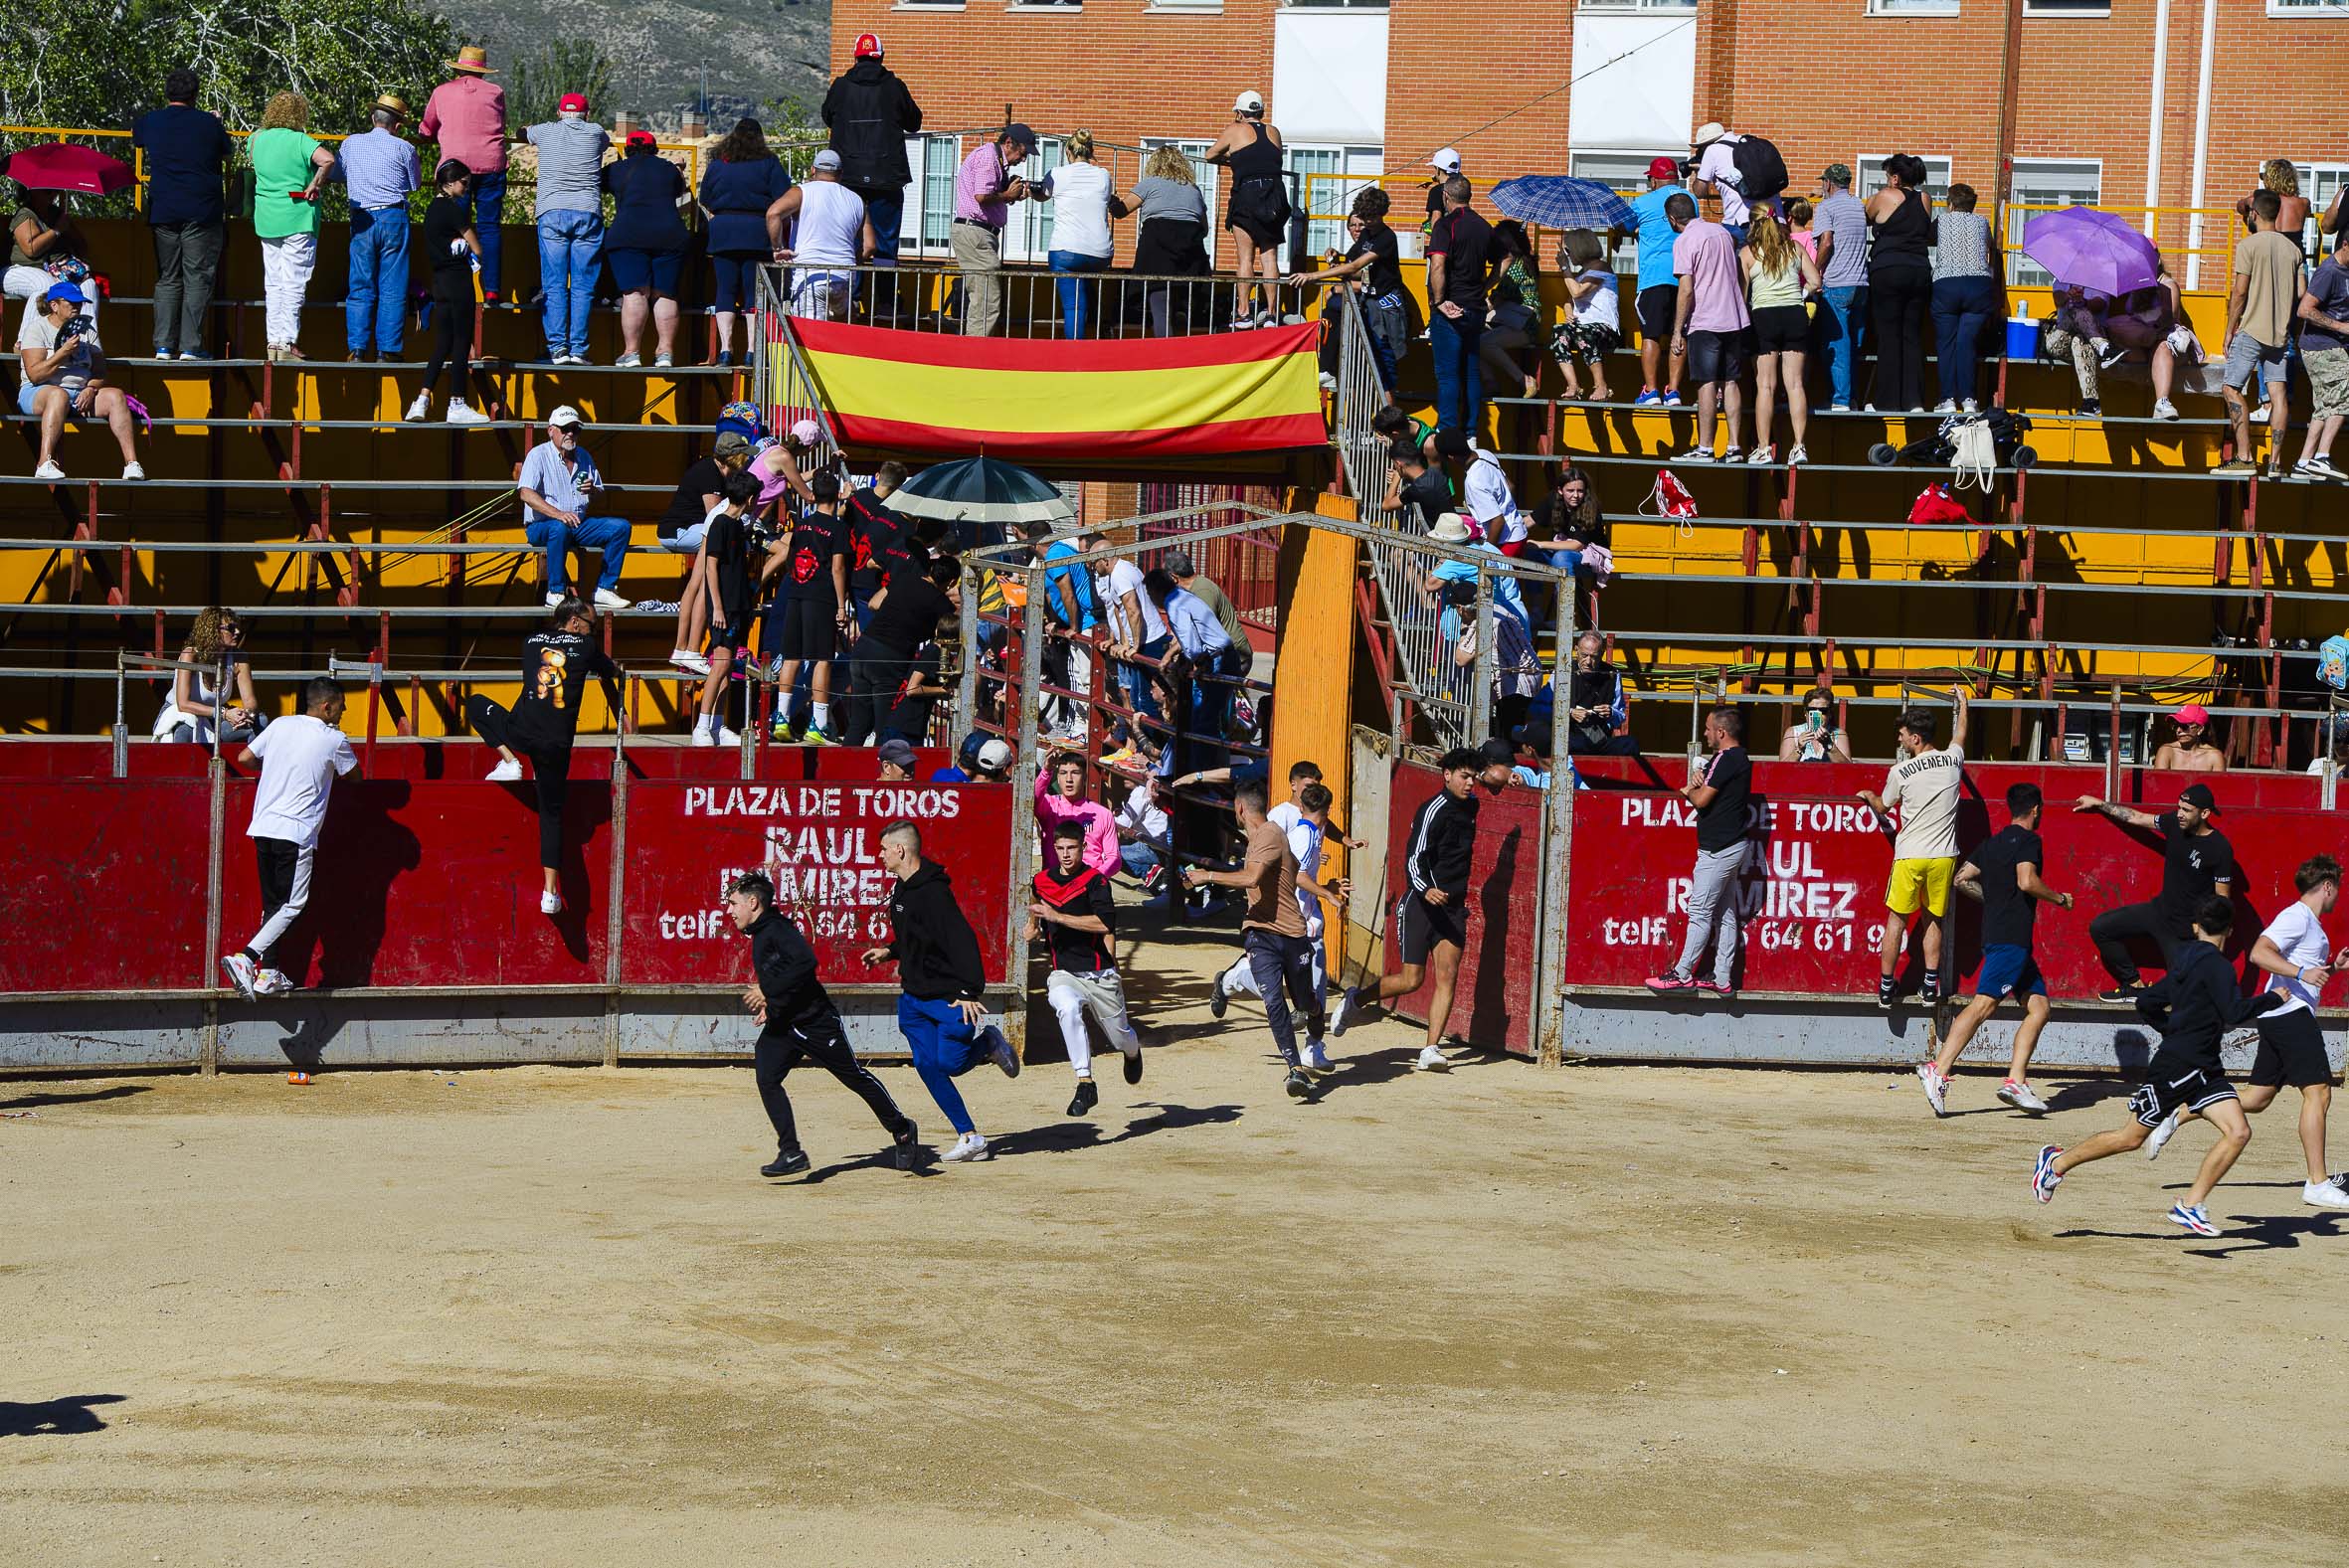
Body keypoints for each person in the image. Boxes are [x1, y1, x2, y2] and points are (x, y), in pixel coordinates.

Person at [2029, 897, 2280, 1239]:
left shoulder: (2184, 960)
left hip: (2203, 1068)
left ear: (2195, 927)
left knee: (2238, 1132)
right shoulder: (2219, 967)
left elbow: (2147, 1001)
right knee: (2130, 1138)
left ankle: (2191, 1205)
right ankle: (2055, 1164)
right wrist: (2273, 998)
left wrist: (2169, 1029)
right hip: (2176, 1068)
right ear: (2231, 931)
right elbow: (2234, 1013)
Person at [2146, 855, 2349, 1211]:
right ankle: (2317, 1183)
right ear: (2328, 886)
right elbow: (2259, 953)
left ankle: (2177, 1114)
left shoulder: (2308, 923)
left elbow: (2297, 971)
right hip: (2290, 1016)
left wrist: (2332, 967)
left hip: (2281, 1016)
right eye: (2337, 890)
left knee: (2257, 1098)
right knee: (2318, 1093)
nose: (2338, 897)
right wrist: (2302, 973)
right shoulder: (2296, 916)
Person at [726, 870, 922, 1179]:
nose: (730, 910)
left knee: (854, 1077)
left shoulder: (777, 928)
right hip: (784, 1024)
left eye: (733, 903)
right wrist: (772, 1004)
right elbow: (783, 972)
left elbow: (805, 963)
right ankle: (791, 1152)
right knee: (767, 1078)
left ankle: (902, 1129)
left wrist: (767, 991)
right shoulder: (762, 932)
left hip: (816, 1023)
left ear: (753, 902)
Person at [1915, 784, 2075, 1118]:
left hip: (2006, 938)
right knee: (1984, 1004)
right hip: (2011, 938)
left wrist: (1994, 899)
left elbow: (1962, 879)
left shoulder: (1993, 844)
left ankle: (2016, 1081)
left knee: (2040, 1007)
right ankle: (1938, 1068)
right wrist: (2059, 898)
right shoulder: (2030, 841)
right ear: (2036, 809)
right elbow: (2027, 881)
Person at [862, 821, 1015, 1164]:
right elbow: (916, 936)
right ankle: (970, 1137)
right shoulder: (902, 889)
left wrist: (968, 991)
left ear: (900, 850)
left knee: (951, 1063)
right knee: (927, 1066)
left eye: (884, 848)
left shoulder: (934, 893)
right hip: (913, 999)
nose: (880, 854)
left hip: (948, 998)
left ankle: (988, 1043)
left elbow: (962, 941)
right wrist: (890, 950)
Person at [1330, 747, 1483, 1073]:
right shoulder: (1433, 809)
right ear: (1447, 775)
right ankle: (1357, 999)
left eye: (1473, 777)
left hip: (1453, 907)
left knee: (1448, 976)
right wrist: (1426, 888)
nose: (1470, 783)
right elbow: (1413, 857)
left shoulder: (1473, 806)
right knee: (1411, 979)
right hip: (1420, 904)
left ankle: (1430, 1048)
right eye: (1464, 776)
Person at [467, 598, 619, 915]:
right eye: (590, 627)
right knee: (551, 815)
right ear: (575, 623)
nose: (591, 634)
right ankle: (550, 892)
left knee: (477, 704)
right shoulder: (586, 647)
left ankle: (510, 760)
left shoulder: (530, 640)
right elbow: (611, 671)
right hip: (556, 743)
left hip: (520, 731)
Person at [1182, 777, 1322, 1100]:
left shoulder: (1270, 835)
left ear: (1239, 807)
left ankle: (1314, 1012)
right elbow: (1289, 868)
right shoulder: (1263, 838)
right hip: (1260, 933)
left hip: (1292, 935)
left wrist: (1207, 876)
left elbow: (1253, 877)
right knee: (1274, 1000)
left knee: (1303, 1003)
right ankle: (1295, 1069)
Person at [219, 677, 355, 1002]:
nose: (344, 710)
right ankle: (247, 959)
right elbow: (354, 776)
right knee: (293, 903)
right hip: (295, 832)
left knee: (274, 904)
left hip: (263, 825)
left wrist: (281, 765)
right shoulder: (334, 739)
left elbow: (245, 759)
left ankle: (269, 972)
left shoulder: (280, 725)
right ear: (327, 706)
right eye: (341, 705)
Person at [1210, 776, 1345, 1074]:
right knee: (1277, 997)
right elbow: (1287, 876)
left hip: (1300, 924)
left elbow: (1292, 870)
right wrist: (1325, 892)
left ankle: (1311, 1048)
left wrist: (1326, 888)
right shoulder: (1293, 831)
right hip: (1284, 924)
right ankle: (1304, 1057)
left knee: (1309, 997)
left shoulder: (1299, 832)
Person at [1857, 692, 1970, 1005]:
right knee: (1933, 919)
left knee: (1896, 921)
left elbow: (1883, 806)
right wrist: (1964, 703)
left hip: (1910, 855)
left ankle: (1885, 988)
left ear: (1916, 738)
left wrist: (1868, 796)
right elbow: (1960, 732)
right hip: (1943, 856)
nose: (1900, 738)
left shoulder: (1900, 771)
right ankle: (1930, 987)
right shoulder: (1953, 760)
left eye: (1903, 735)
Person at [2073, 782, 2234, 1002]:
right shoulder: (2174, 823)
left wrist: (2211, 938)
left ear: (2205, 813)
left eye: (2186, 810)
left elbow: (2222, 900)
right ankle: (2133, 985)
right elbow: (2137, 818)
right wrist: (2099, 804)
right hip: (2158, 911)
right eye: (2179, 807)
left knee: (2185, 993)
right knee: (2100, 927)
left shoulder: (2219, 848)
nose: (2180, 814)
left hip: (2185, 928)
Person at [1030, 820, 1146, 1118]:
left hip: (1099, 974)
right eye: (1060, 848)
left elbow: (1104, 924)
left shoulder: (1097, 882)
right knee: (1066, 1007)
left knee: (1120, 1037)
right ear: (1054, 848)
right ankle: (1085, 1082)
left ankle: (1132, 1053)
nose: (1066, 854)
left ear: (1083, 847)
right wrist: (1032, 926)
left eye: (1071, 848)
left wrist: (1058, 916)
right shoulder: (1041, 880)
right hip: (1064, 972)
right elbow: (1034, 899)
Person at [1644, 707, 1752, 999]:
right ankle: (1722, 978)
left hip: (1718, 848)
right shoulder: (1741, 759)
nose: (1705, 734)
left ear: (1721, 732)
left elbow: (1703, 799)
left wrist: (1688, 789)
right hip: (1733, 845)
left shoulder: (1726, 759)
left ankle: (1682, 974)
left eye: (1707, 729)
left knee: (1700, 912)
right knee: (1726, 913)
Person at [132, 68, 232, 360]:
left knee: (167, 277)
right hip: (202, 210)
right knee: (197, 277)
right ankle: (190, 346)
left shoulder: (151, 121)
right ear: (195, 94)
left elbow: (137, 138)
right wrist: (217, 124)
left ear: (168, 93)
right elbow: (227, 155)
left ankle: (163, 345)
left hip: (163, 209)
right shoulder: (208, 124)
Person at [2219, 190, 2306, 478]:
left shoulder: (2248, 246)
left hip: (2252, 331)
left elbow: (2240, 292)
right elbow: (2302, 294)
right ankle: (2275, 463)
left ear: (2254, 214)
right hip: (2281, 336)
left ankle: (2244, 456)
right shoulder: (2294, 251)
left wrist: (2230, 330)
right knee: (2278, 395)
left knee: (2231, 388)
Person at [18, 282, 142, 482]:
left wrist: (91, 388)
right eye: (71, 302)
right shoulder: (37, 329)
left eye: (80, 303)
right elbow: (35, 375)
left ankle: (132, 464)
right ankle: (44, 462)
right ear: (54, 305)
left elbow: (100, 370)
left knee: (116, 396)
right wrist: (63, 353)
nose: (77, 307)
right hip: (38, 392)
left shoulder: (87, 330)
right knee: (58, 395)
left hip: (79, 393)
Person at [763, 469, 853, 742]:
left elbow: (791, 561)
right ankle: (819, 723)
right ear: (837, 496)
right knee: (822, 660)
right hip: (821, 598)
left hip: (796, 595)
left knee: (792, 657)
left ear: (813, 496)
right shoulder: (839, 529)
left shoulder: (801, 525)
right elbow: (838, 568)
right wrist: (840, 606)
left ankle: (781, 718)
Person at [822, 33, 923, 274]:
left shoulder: (840, 87)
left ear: (855, 57)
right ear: (881, 57)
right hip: (887, 177)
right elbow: (914, 123)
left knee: (851, 238)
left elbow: (827, 117)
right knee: (886, 242)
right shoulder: (895, 87)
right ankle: (886, 300)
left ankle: (851, 297)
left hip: (848, 177)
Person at [1290, 189, 1406, 397]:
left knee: (1384, 371)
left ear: (1382, 213)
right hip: (1368, 303)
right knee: (1334, 308)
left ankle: (1391, 423)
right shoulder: (1368, 234)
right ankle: (1328, 369)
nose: (1366, 223)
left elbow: (1356, 268)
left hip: (1384, 307)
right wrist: (1337, 254)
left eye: (1370, 218)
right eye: (1363, 218)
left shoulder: (1386, 237)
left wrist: (1313, 276)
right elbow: (1351, 261)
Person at [2044, 256, 2189, 421]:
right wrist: (2070, 296)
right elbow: (2057, 299)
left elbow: (2101, 303)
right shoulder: (2064, 271)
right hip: (2061, 337)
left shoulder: (2102, 275)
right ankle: (2104, 348)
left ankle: (2090, 402)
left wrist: (2083, 300)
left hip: (2087, 339)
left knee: (2080, 340)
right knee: (2077, 311)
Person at [655, 432, 754, 672]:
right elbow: (716, 518)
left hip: (695, 527)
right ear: (729, 458)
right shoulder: (709, 473)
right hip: (679, 531)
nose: (746, 461)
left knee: (696, 583)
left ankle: (683, 649)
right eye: (742, 456)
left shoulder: (720, 472)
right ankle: (689, 650)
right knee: (702, 583)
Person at [250, 91, 336, 361]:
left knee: (273, 282)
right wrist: (315, 184)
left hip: (266, 216)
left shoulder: (256, 139)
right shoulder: (300, 140)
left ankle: (273, 341)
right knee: (294, 281)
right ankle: (287, 341)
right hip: (297, 214)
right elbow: (328, 159)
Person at [518, 407, 632, 609]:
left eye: (575, 429)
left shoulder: (584, 456)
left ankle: (605, 588)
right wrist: (558, 514)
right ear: (551, 430)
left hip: (576, 523)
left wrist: (593, 490)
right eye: (565, 429)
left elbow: (598, 492)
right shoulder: (538, 455)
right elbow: (526, 493)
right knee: (559, 528)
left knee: (621, 527)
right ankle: (555, 591)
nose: (570, 433)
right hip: (541, 525)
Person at [405, 160, 490, 426]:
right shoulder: (453, 211)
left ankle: (421, 401)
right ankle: (457, 402)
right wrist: (468, 246)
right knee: (462, 341)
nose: (466, 188)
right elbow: (477, 248)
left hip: (439, 282)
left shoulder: (431, 211)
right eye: (464, 183)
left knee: (442, 343)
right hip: (459, 282)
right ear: (450, 182)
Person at [699, 118, 792, 366]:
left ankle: (725, 350)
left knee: (725, 290)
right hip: (756, 232)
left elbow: (705, 198)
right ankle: (751, 350)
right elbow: (783, 199)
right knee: (753, 293)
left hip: (723, 232)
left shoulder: (718, 164)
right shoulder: (769, 164)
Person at [420, 45, 509, 300]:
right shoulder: (496, 92)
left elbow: (427, 128)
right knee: (489, 227)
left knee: (454, 227)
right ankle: (491, 288)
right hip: (491, 164)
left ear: (458, 68)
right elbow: (501, 124)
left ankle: (457, 281)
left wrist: (426, 134)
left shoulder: (442, 91)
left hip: (454, 169)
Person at [527, 93, 610, 365]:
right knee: (584, 286)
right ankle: (579, 349)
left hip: (552, 211)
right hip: (587, 211)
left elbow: (523, 132)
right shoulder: (596, 132)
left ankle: (557, 348)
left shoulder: (545, 130)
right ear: (587, 114)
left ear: (559, 112)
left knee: (554, 284)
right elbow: (605, 144)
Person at [337, 93, 421, 362]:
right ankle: (388, 349)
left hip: (362, 218)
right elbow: (414, 185)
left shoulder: (350, 144)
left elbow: (340, 174)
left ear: (373, 118)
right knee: (393, 287)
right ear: (397, 126)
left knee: (360, 284)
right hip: (394, 217)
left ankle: (358, 348)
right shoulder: (405, 148)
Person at [844, 555, 960, 747]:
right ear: (952, 581)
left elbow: (873, 603)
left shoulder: (905, 578)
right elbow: (948, 627)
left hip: (864, 647)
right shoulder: (941, 605)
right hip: (890, 658)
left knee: (859, 722)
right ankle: (882, 772)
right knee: (884, 726)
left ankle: (843, 770)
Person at [1667, 191, 1748, 461]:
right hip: (1734, 316)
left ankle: (1705, 446)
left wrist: (1678, 330)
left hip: (1705, 319)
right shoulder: (1723, 232)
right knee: (1732, 381)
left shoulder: (1684, 240)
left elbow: (1686, 289)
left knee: (1706, 383)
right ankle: (1735, 446)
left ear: (1672, 218)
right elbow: (1737, 273)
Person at [687, 470, 762, 748]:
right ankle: (702, 725)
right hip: (724, 607)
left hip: (737, 604)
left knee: (729, 666)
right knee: (719, 664)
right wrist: (716, 606)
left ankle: (718, 724)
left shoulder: (737, 525)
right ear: (751, 498)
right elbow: (711, 565)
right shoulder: (720, 523)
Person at [601, 131, 687, 367]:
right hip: (670, 235)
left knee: (635, 293)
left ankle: (631, 352)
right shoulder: (669, 169)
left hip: (629, 235)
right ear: (655, 148)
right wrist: (680, 169)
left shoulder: (616, 170)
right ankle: (665, 353)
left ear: (627, 149)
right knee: (665, 293)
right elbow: (679, 189)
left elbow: (599, 183)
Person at [1740, 210, 1819, 466]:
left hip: (1764, 316)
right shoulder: (1794, 247)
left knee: (1765, 386)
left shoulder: (1749, 253)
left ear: (1755, 225)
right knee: (1795, 384)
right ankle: (1799, 445)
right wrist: (1802, 292)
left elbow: (1742, 295)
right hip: (1794, 314)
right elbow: (1815, 280)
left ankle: (1763, 448)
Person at [1205, 90, 1288, 328]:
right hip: (1275, 194)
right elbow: (1267, 156)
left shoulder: (1235, 129)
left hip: (1248, 193)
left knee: (1245, 257)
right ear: (1261, 111)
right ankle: (1272, 313)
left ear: (1240, 113)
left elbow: (1211, 154)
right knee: (1269, 257)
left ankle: (1243, 312)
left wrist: (1231, 156)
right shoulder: (1274, 131)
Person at [1114, 145, 1213, 338]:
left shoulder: (1149, 184)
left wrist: (1110, 201)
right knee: (1177, 301)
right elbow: (1205, 228)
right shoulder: (1193, 189)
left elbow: (1121, 211)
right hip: (1190, 252)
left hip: (1157, 247)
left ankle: (1165, 351)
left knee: (1160, 302)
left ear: (1154, 164)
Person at [766, 149, 874, 323]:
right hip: (843, 278)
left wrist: (778, 248)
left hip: (810, 278)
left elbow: (773, 214)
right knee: (840, 339)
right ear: (840, 173)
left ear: (813, 170)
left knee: (809, 338)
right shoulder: (857, 200)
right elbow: (869, 246)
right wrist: (851, 262)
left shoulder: (801, 192)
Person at [1865, 154, 1935, 413]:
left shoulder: (1885, 195)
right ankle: (1914, 401)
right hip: (1918, 270)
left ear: (1895, 178)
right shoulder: (1925, 199)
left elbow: (1867, 215)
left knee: (1889, 337)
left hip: (1888, 270)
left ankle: (1886, 400)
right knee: (1912, 337)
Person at [951, 124, 1035, 337]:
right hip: (975, 232)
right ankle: (976, 354)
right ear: (1008, 143)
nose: (1022, 160)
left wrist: (1009, 195)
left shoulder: (992, 158)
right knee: (987, 299)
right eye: (1022, 153)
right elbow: (981, 196)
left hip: (977, 233)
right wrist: (1007, 195)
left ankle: (975, 348)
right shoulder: (989, 159)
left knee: (983, 297)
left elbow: (986, 196)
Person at [1425, 175, 1493, 433]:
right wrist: (1484, 288)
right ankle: (1471, 431)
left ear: (1445, 197)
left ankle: (1447, 429)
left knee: (1447, 374)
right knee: (1471, 371)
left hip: (1450, 309)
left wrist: (1439, 300)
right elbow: (1506, 259)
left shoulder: (1445, 225)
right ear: (1470, 196)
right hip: (1475, 308)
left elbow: (1438, 263)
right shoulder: (1484, 226)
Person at [1030, 130, 1114, 338]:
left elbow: (1042, 196)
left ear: (1068, 151)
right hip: (1099, 253)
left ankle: (1074, 352)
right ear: (1091, 151)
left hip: (1065, 250)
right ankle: (1098, 333)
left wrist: (1030, 190)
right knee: (1085, 288)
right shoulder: (1103, 175)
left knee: (1072, 306)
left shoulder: (1057, 174)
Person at [1929, 184, 1997, 414]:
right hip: (1979, 285)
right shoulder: (1982, 222)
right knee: (1966, 343)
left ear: (1950, 204)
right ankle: (1969, 399)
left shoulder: (1941, 221)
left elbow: (1928, 238)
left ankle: (1947, 399)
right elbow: (1989, 246)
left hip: (1947, 283)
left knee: (1946, 344)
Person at [1628, 156, 1688, 407]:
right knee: (1680, 333)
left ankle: (1651, 391)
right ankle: (1673, 391)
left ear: (1653, 179)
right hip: (1684, 276)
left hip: (1653, 277)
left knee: (1650, 335)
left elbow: (1625, 225)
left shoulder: (1641, 202)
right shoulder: (1689, 199)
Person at [1451, 582, 1542, 742]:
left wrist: (1464, 628)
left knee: (1507, 738)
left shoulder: (1482, 621)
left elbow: (1460, 659)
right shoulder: (1498, 609)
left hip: (1515, 685)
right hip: (1531, 676)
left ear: (1460, 608)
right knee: (1516, 732)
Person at [153, 606, 259, 744]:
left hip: (214, 718)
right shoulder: (190, 655)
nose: (237, 632)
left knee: (259, 722)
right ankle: (182, 765)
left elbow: (250, 701)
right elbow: (183, 704)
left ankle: (245, 764)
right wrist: (225, 713)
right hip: (182, 714)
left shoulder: (239, 658)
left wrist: (246, 714)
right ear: (213, 631)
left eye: (238, 627)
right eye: (231, 628)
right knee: (186, 728)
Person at [2292, 228, 2349, 480]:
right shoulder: (2329, 272)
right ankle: (2322, 456)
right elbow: (2304, 310)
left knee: (2325, 406)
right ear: (2345, 244)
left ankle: (2304, 462)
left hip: (2332, 347)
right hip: (2321, 345)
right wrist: (2340, 327)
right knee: (2345, 396)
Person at [1812, 163, 1869, 412]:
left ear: (1829, 183)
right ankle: (1852, 397)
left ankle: (1840, 399)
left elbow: (1826, 242)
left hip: (1837, 282)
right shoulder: (1858, 205)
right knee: (1854, 346)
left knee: (1838, 345)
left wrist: (1815, 270)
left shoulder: (1826, 207)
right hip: (1861, 283)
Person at [6, 187, 98, 338]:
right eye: (47, 191)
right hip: (23, 269)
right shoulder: (25, 214)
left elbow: (82, 248)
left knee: (88, 285)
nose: (53, 195)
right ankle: (26, 342)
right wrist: (57, 230)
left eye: (56, 191)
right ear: (33, 192)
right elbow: (31, 249)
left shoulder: (58, 214)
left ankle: (87, 341)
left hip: (58, 270)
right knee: (45, 285)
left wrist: (68, 228)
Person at [1549, 229, 1619, 403]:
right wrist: (1568, 314)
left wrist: (1565, 268)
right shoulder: (1580, 274)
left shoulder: (1601, 267)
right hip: (1582, 327)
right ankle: (1573, 385)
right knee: (1558, 331)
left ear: (1579, 248)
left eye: (1568, 250)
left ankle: (1601, 385)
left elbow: (1577, 292)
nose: (1568, 254)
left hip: (1605, 328)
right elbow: (1569, 300)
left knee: (1583, 333)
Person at [1479, 219, 1541, 400]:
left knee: (1481, 342)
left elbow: (1497, 298)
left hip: (1524, 324)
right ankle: (1490, 382)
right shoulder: (1524, 262)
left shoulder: (1517, 265)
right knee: (1472, 337)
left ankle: (1523, 380)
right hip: (1513, 322)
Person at [844, 461, 911, 630]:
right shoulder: (893, 514)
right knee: (877, 631)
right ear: (898, 486)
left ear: (877, 476)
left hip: (851, 569)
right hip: (876, 579)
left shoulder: (858, 497)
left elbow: (841, 515)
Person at [1562, 633, 1635, 757]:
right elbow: (1541, 708)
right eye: (1584, 655)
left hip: (1597, 735)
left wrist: (1611, 712)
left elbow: (1620, 716)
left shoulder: (1612, 674)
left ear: (1602, 654)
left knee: (1630, 744)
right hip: (1568, 735)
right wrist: (1569, 713)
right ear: (1576, 651)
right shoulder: (1562, 671)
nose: (1589, 662)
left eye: (1594, 657)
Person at [1688, 121, 1756, 242]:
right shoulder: (1748, 143)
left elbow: (1699, 192)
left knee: (1738, 259)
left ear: (1706, 144)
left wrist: (1699, 171)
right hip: (1772, 215)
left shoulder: (1712, 150)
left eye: (1700, 149)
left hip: (1741, 221)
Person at [1113, 772, 1174, 890]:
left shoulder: (1140, 791)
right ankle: (1153, 873)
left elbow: (1124, 823)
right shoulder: (1146, 789)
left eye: (1129, 771)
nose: (1125, 776)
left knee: (1108, 854)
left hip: (1154, 848)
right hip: (1155, 845)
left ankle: (1149, 874)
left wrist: (1105, 817)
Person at [1386, 438, 1453, 533]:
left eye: (1395, 465)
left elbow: (1386, 505)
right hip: (1454, 531)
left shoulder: (1417, 489)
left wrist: (1397, 476)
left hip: (1440, 537)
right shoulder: (1436, 473)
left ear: (1398, 464)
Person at [1776, 689, 1851, 763]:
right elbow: (1782, 769)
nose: (1817, 714)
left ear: (1830, 713)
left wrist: (1830, 746)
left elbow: (1848, 769)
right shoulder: (1793, 732)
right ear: (1805, 712)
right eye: (1812, 710)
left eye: (1823, 710)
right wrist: (1798, 749)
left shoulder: (1838, 734)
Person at [2152, 702, 2228, 772]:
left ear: (2200, 729)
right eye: (2175, 725)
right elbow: (2158, 784)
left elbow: (2218, 785)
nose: (2178, 730)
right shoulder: (2167, 751)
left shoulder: (2214, 756)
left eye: (2184, 726)